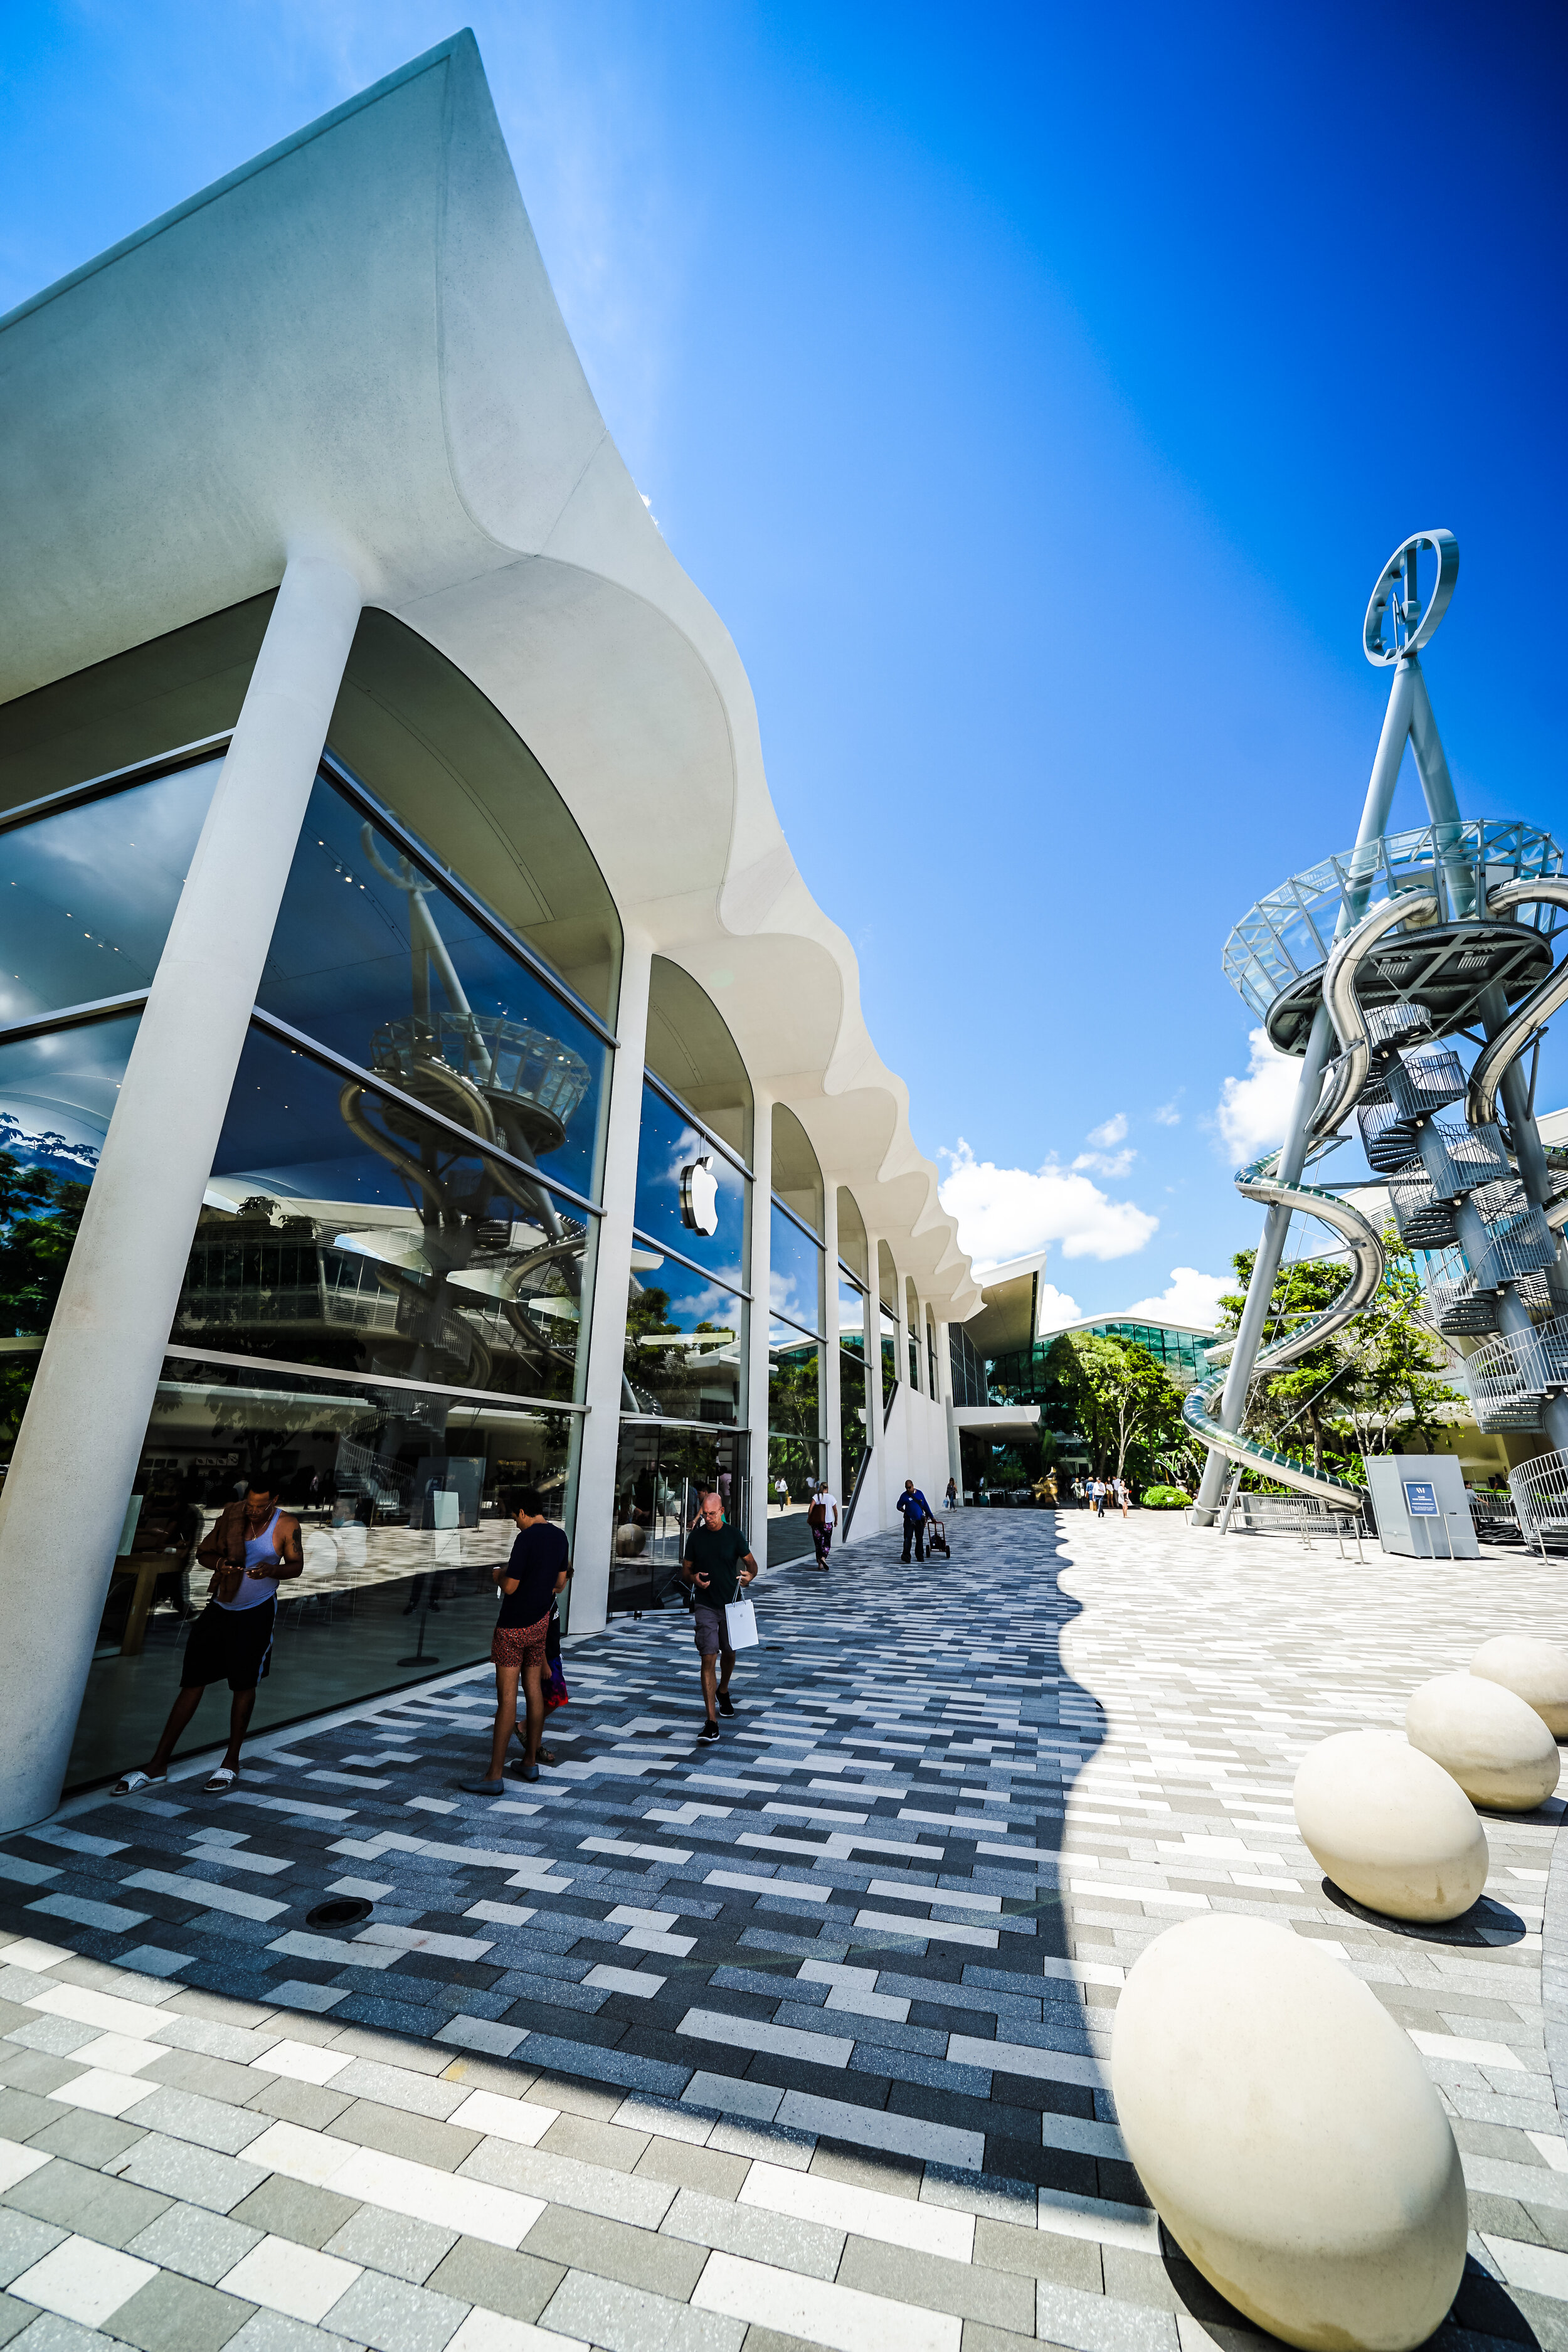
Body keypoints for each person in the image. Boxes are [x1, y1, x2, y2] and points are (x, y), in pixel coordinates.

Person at [114, 1477, 304, 1797]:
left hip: (256, 1612)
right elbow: (203, 1554)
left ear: (275, 1501)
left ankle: (231, 1761)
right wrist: (221, 1564)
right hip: (220, 1607)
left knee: (244, 1684)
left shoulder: (286, 1524)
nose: (255, 1512)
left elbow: (296, 1566)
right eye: (251, 1505)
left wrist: (272, 1571)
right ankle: (157, 1764)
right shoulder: (233, 1515)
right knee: (192, 1682)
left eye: (262, 1507)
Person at [461, 1487, 571, 1794]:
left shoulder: (526, 1538)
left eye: (514, 1517)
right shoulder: (559, 1536)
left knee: (507, 1699)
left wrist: (497, 1574)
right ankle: (529, 1762)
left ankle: (494, 1776)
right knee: (534, 1691)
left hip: (512, 1628)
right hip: (539, 1624)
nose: (515, 1523)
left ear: (523, 1511)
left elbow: (510, 1587)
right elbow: (560, 1583)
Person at [681, 1489, 758, 1740]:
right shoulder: (696, 1538)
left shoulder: (734, 1535)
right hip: (705, 1606)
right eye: (705, 1515)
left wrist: (750, 1576)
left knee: (730, 1652)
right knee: (708, 1657)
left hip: (731, 1605)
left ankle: (723, 1690)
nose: (708, 1519)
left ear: (722, 1512)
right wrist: (694, 1580)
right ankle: (711, 1722)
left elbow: (752, 1564)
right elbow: (685, 1572)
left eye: (712, 1514)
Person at [898, 1478, 932, 1562]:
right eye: (907, 1488)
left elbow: (925, 1506)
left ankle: (919, 1555)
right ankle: (906, 1555)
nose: (908, 1489)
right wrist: (903, 1510)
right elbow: (899, 1506)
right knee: (908, 1537)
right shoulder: (904, 1496)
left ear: (913, 1486)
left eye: (909, 1487)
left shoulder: (920, 1494)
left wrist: (931, 1516)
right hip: (909, 1520)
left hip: (919, 1519)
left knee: (919, 1538)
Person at [807, 1481, 839, 1568]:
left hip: (817, 1523)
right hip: (828, 1523)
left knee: (818, 1543)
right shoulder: (831, 1497)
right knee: (826, 1542)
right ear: (827, 1489)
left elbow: (811, 1508)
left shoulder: (816, 1497)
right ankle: (823, 1558)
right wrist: (836, 1521)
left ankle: (820, 1564)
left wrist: (810, 1519)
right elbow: (835, 1511)